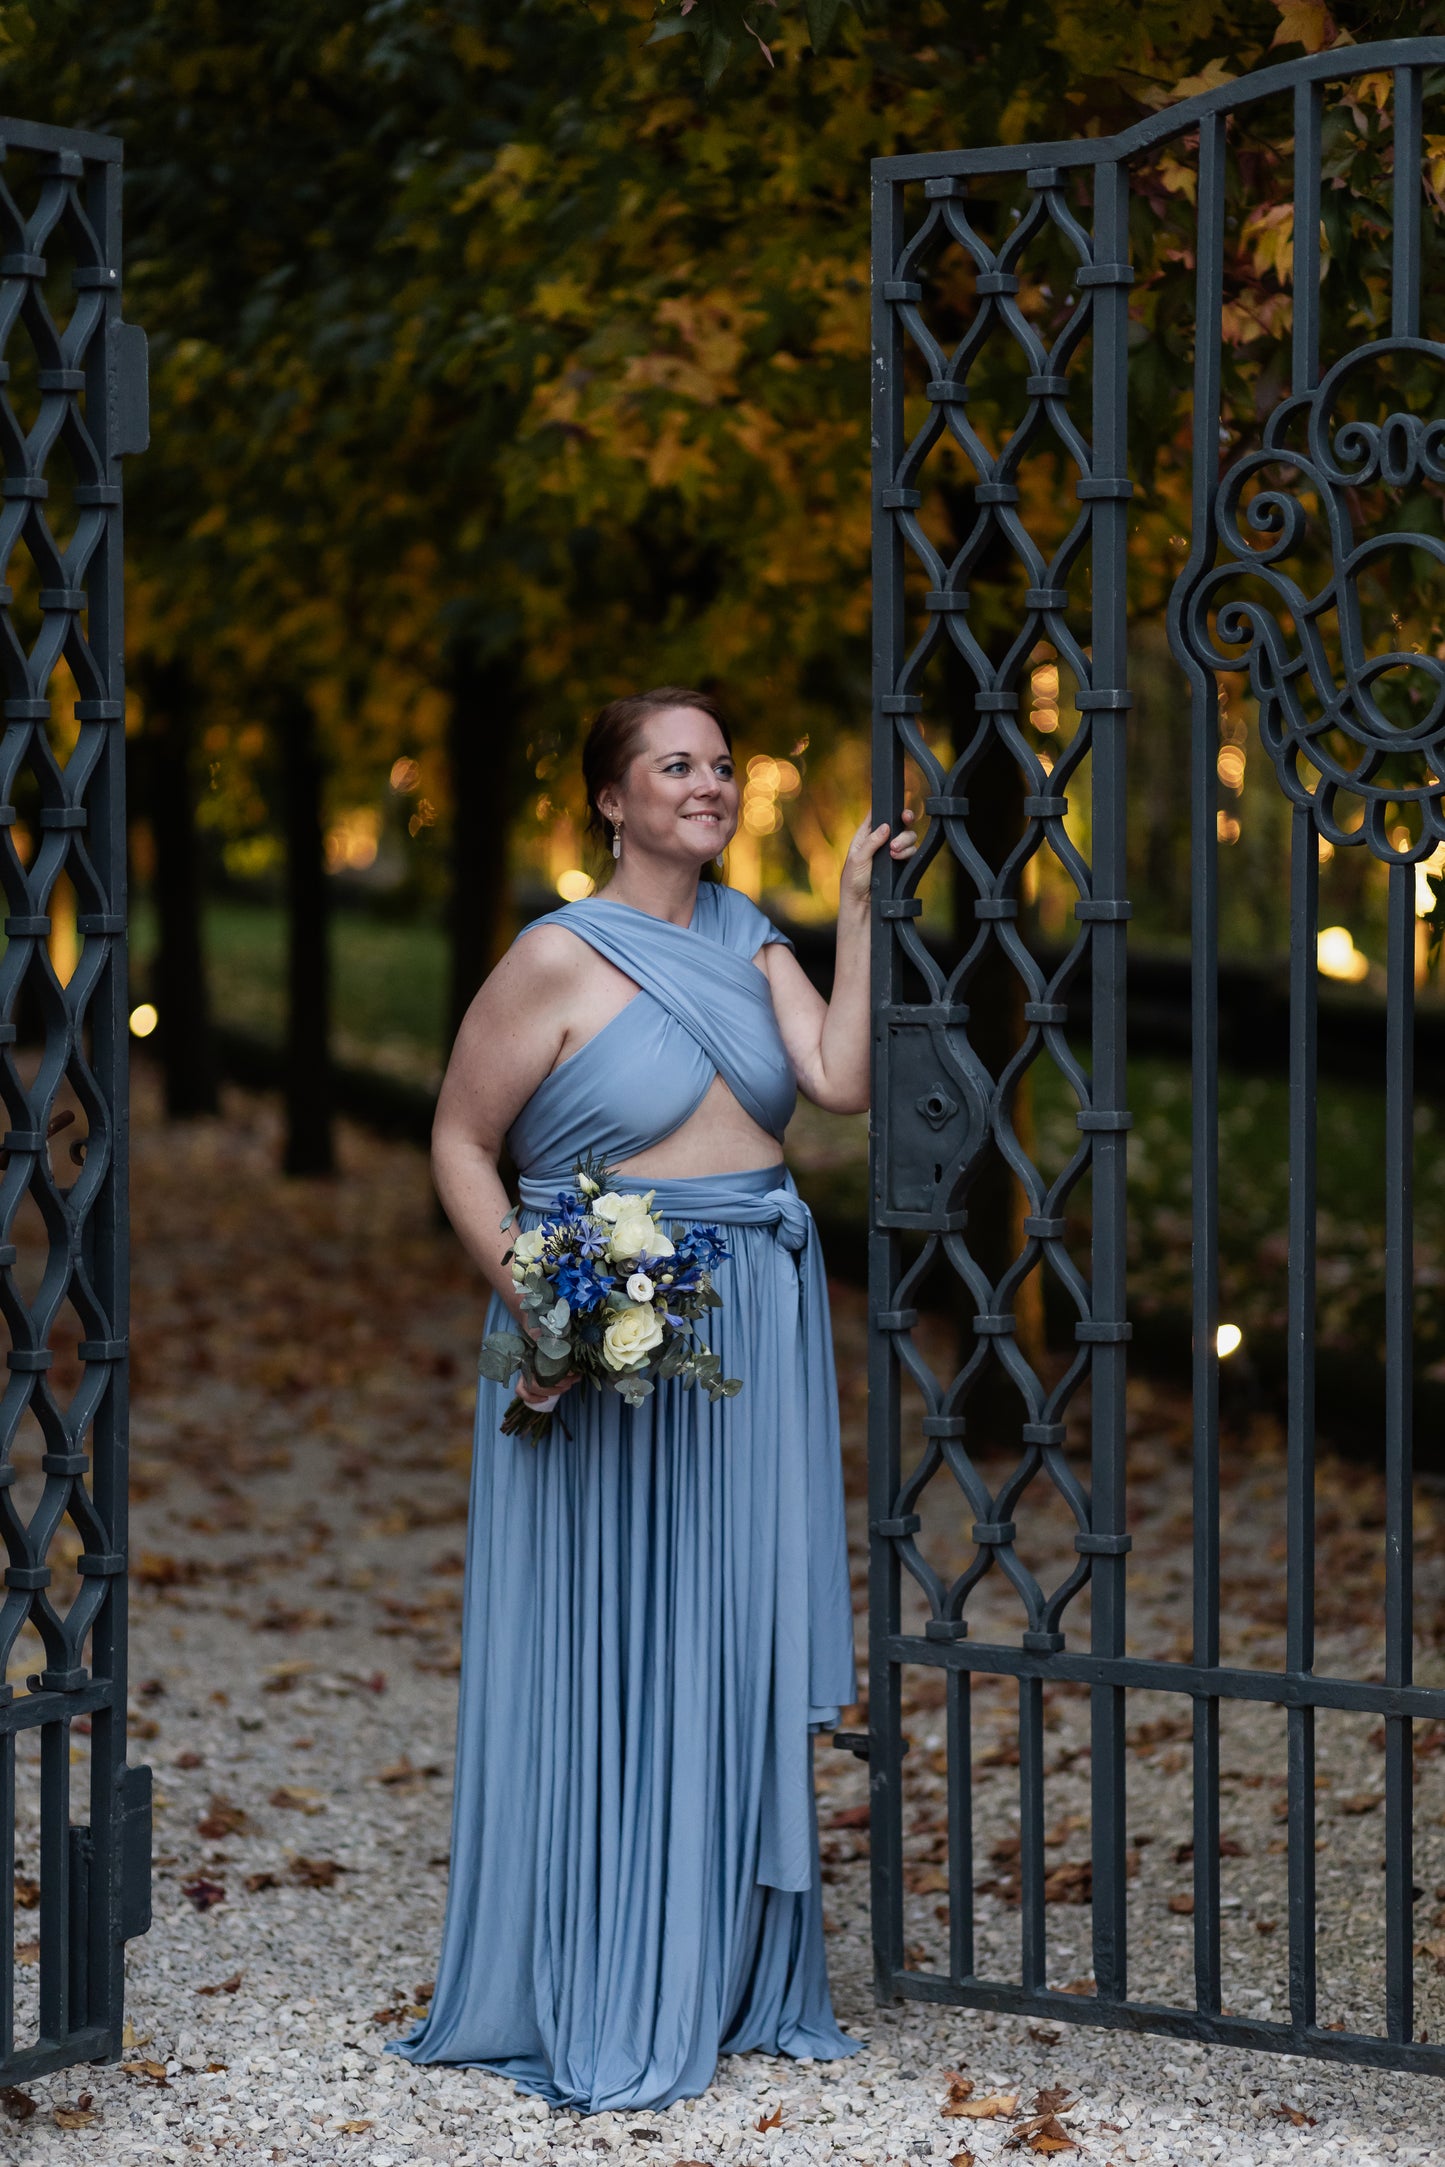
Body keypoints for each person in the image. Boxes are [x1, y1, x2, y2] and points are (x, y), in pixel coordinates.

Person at [388, 686, 915, 2113]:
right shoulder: (551, 959)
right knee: (609, 1632)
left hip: (751, 1318)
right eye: (674, 766)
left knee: (723, 1630)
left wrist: (858, 913)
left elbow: (841, 1082)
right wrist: (535, 1299)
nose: (709, 786)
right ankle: (606, 1955)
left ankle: (727, 1959)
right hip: (592, 1316)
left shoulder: (755, 945)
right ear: (612, 800)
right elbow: (457, 1136)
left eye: (722, 767)